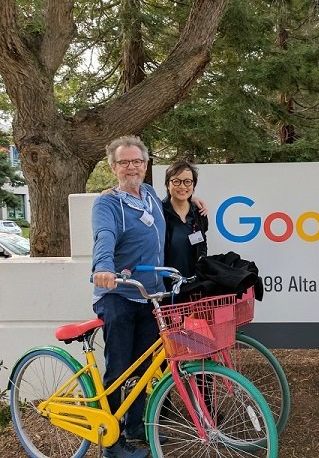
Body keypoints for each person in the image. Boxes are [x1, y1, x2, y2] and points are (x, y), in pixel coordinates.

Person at [92, 135, 164, 458]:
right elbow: (104, 235)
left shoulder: (149, 195)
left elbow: (171, 218)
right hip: (118, 293)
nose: (131, 166)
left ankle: (134, 425)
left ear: (146, 165)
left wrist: (194, 204)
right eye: (124, 162)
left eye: (137, 161)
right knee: (119, 367)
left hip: (148, 296)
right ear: (113, 167)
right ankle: (111, 439)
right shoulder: (108, 202)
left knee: (143, 367)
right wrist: (103, 266)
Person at [162, 160, 208, 301]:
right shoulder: (159, 212)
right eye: (176, 181)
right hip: (165, 287)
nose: (182, 186)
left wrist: (201, 260)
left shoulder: (199, 214)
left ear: (193, 185)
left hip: (192, 286)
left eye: (188, 182)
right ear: (168, 185)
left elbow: (202, 243)